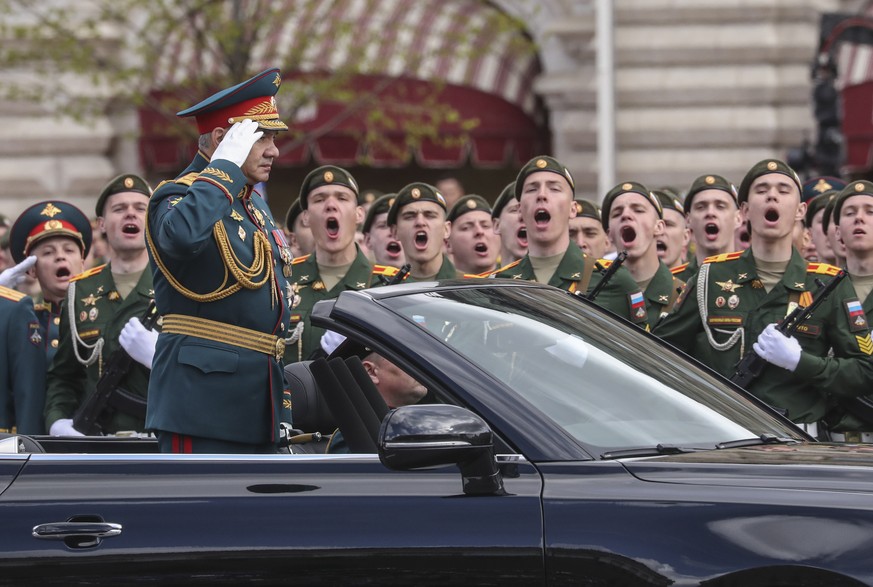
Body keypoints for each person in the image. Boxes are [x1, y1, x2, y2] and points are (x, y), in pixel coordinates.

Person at [656, 159, 873, 435]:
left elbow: (865, 372)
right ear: (745, 210)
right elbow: (660, 353)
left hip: (801, 441)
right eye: (762, 190)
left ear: (799, 210)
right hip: (724, 440)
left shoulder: (827, 283)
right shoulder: (710, 276)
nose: (772, 195)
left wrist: (800, 362)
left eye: (783, 190)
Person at [146, 68, 294, 453]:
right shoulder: (177, 196)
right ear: (220, 140)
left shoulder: (252, 204)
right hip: (202, 401)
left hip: (260, 397)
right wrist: (222, 169)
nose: (274, 150)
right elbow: (179, 237)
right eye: (262, 137)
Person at [45, 175, 155, 437]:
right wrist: (57, 421)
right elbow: (64, 376)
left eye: (140, 209)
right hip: (98, 444)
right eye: (119, 209)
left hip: (161, 443)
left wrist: (163, 358)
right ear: (102, 225)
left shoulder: (176, 285)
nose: (131, 214)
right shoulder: (80, 291)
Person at [490, 156, 644, 325]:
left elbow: (642, 349)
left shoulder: (612, 280)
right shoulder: (501, 283)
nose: (542, 195)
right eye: (532, 189)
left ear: (572, 209)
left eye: (554, 189)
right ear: (520, 210)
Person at [2, 201, 92, 434]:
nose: (61, 258)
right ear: (31, 269)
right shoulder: (24, 320)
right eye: (48, 253)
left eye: (69, 250)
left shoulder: (101, 316)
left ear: (82, 261)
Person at [287, 165, 383, 363]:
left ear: (359, 214)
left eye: (342, 198)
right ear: (306, 217)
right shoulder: (283, 278)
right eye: (319, 199)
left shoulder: (387, 283)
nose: (330, 205)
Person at [602, 182, 685, 329]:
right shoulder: (594, 292)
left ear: (659, 227)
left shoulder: (683, 298)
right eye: (617, 213)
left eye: (638, 210)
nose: (626, 215)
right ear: (609, 235)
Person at [325, 351, 427, 454]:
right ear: (371, 371)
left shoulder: (416, 421)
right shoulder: (357, 434)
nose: (419, 365)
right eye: (406, 360)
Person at [672, 174, 741, 283]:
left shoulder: (755, 277)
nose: (710, 213)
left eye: (720, 206)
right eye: (701, 207)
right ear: (688, 220)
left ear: (738, 218)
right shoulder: (674, 284)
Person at [387, 182, 458, 281]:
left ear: (446, 229)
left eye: (430, 215)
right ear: (395, 231)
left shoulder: (470, 288)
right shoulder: (377, 290)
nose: (420, 222)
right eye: (410, 216)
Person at [446, 195, 499, 276]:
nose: (479, 231)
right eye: (466, 228)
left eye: (485, 226)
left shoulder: (517, 283)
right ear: (448, 244)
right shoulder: (437, 286)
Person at [361, 193, 405, 269]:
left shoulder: (431, 280)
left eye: (399, 226)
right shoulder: (357, 280)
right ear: (368, 240)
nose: (393, 233)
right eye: (383, 226)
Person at [491, 181, 527, 266]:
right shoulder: (486, 279)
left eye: (528, 209)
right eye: (514, 210)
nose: (522, 216)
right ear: (497, 225)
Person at [652, 190, 689, 270]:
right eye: (652, 224)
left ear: (685, 237)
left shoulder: (699, 281)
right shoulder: (622, 281)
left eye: (668, 224)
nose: (660, 230)